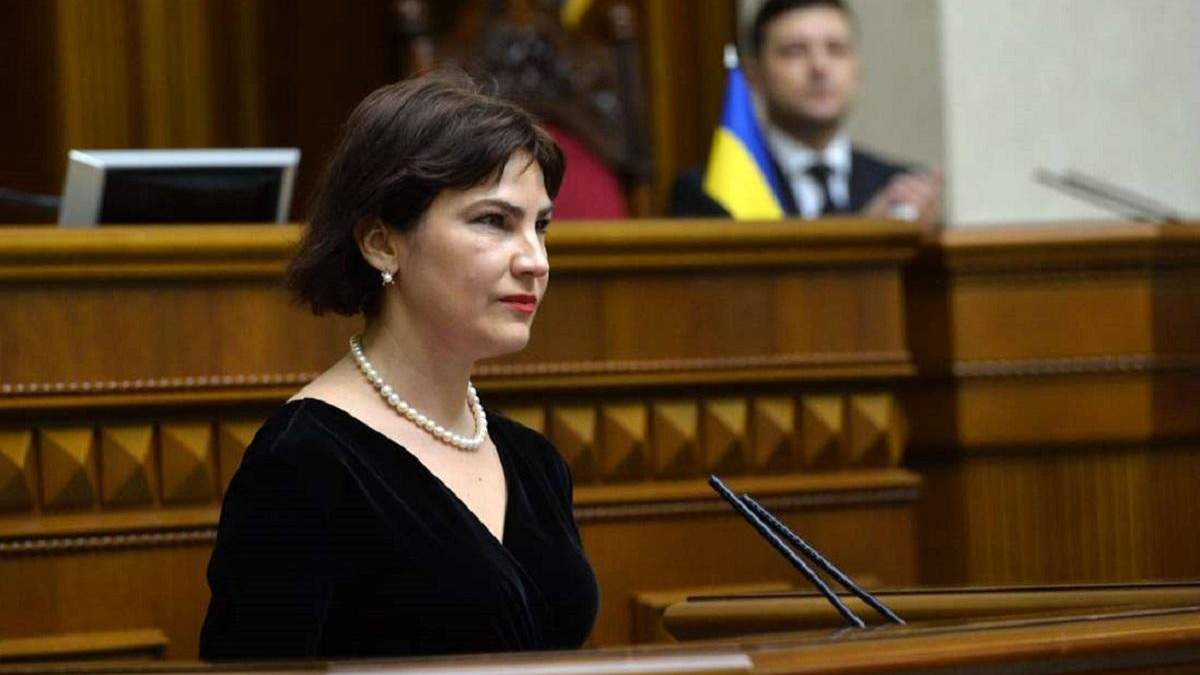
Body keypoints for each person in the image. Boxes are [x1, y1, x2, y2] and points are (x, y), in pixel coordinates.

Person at [199, 71, 599, 661]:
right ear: (381, 243)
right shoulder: (304, 462)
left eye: (539, 226)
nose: (535, 260)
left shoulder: (534, 462)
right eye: (494, 221)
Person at [671, 0, 941, 227]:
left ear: (857, 68)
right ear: (754, 74)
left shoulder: (896, 187)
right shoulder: (714, 192)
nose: (820, 67)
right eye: (795, 51)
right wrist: (866, 233)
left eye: (836, 49)